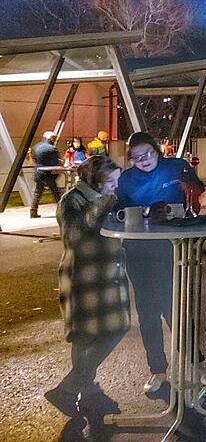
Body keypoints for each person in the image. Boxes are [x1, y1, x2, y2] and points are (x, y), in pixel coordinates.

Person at [115, 132, 206, 395]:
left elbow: (197, 192)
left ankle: (197, 362)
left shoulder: (175, 166)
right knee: (147, 312)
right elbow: (119, 211)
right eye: (136, 157)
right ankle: (157, 369)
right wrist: (145, 212)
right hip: (138, 251)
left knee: (175, 310)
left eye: (148, 153)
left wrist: (190, 183)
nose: (143, 160)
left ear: (157, 151)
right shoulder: (126, 179)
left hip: (173, 249)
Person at [44, 155, 128, 419]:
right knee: (88, 334)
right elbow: (74, 236)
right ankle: (75, 388)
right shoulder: (72, 200)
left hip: (108, 274)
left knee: (112, 328)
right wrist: (101, 206)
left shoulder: (105, 197)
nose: (115, 186)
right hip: (83, 276)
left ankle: (82, 388)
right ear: (96, 180)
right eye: (111, 181)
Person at [31, 130, 63, 218]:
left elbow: (33, 159)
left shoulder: (36, 147)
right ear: (51, 139)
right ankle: (62, 211)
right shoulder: (52, 148)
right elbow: (57, 161)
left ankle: (33, 211)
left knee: (37, 192)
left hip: (38, 172)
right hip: (49, 173)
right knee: (56, 192)